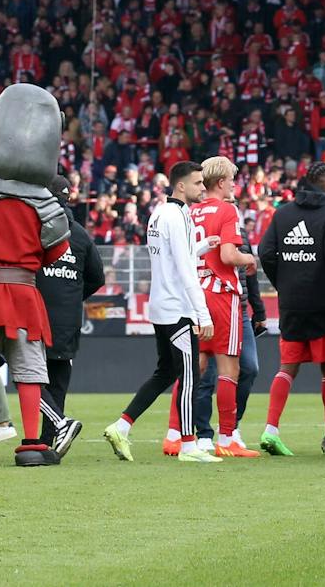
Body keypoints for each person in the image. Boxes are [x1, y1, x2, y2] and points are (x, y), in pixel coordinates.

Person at [102, 160, 214, 463]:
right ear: (181, 185)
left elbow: (174, 255)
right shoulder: (177, 217)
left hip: (160, 306)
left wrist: (203, 245)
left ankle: (121, 425)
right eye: (198, 183)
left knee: (165, 372)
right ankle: (189, 446)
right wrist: (202, 314)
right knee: (190, 376)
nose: (203, 188)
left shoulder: (161, 214)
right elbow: (184, 268)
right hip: (177, 308)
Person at [253, 161, 325, 457]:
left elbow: (265, 252)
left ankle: (271, 429)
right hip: (324, 304)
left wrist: (284, 282)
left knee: (286, 369)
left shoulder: (283, 214)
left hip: (291, 302)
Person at [189, 157, 259, 459]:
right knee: (230, 368)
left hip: (197, 292)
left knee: (200, 366)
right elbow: (229, 255)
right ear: (221, 182)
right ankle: (228, 436)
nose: (235, 184)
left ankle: (192, 435)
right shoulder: (227, 209)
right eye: (232, 179)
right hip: (221, 293)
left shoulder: (191, 211)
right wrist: (249, 259)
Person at [37, 173, 105, 460]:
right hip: (68, 318)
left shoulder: (36, 230)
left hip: (36, 313)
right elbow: (97, 277)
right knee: (58, 379)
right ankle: (48, 441)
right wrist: (74, 295)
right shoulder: (79, 233)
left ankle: (56, 426)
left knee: (27, 376)